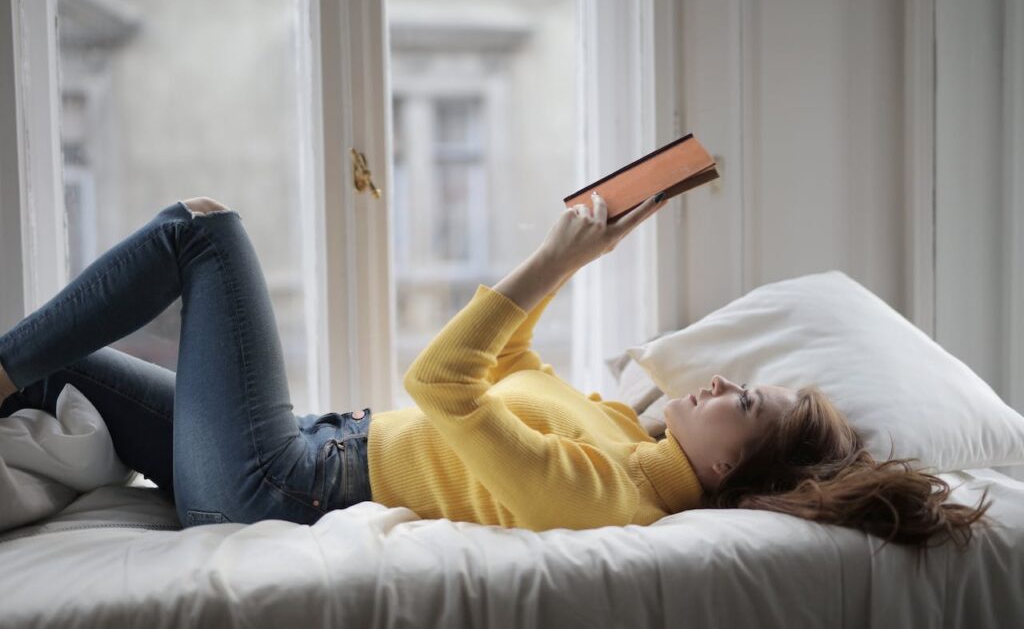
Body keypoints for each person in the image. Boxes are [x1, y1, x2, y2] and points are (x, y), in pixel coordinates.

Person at [0, 193, 992, 553]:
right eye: (735, 380)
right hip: (303, 447)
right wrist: (581, 253)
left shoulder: (611, 497)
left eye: (742, 403)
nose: (716, 385)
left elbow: (441, 383)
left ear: (734, 473)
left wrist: (555, 260)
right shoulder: (622, 433)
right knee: (53, 370)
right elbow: (508, 359)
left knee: (205, 232)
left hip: (271, 485)